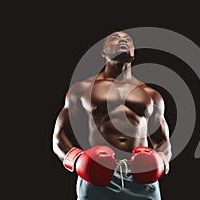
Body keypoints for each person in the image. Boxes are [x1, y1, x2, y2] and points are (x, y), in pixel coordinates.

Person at [52, 31, 172, 200]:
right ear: (103, 52)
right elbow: (59, 137)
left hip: (142, 176)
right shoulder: (82, 89)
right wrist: (77, 159)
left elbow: (162, 141)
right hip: (96, 174)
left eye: (128, 40)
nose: (123, 41)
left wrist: (161, 160)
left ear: (134, 51)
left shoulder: (151, 95)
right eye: (115, 38)